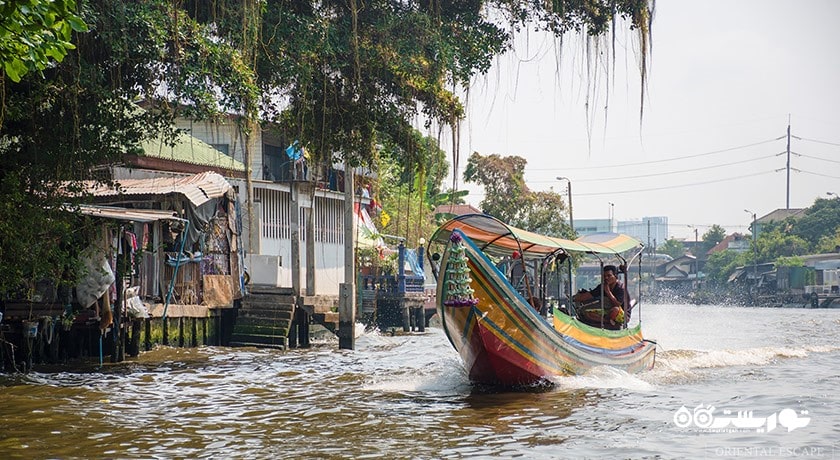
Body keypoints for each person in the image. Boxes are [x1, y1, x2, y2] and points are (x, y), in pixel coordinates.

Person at [572, 265, 629, 329]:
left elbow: (617, 304)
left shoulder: (621, 287)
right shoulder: (602, 286)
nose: (606, 278)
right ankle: (608, 321)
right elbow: (589, 295)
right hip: (607, 312)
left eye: (609, 275)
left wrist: (608, 292)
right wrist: (573, 299)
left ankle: (613, 323)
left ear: (615, 276)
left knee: (615, 309)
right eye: (604, 276)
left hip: (622, 314)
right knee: (587, 313)